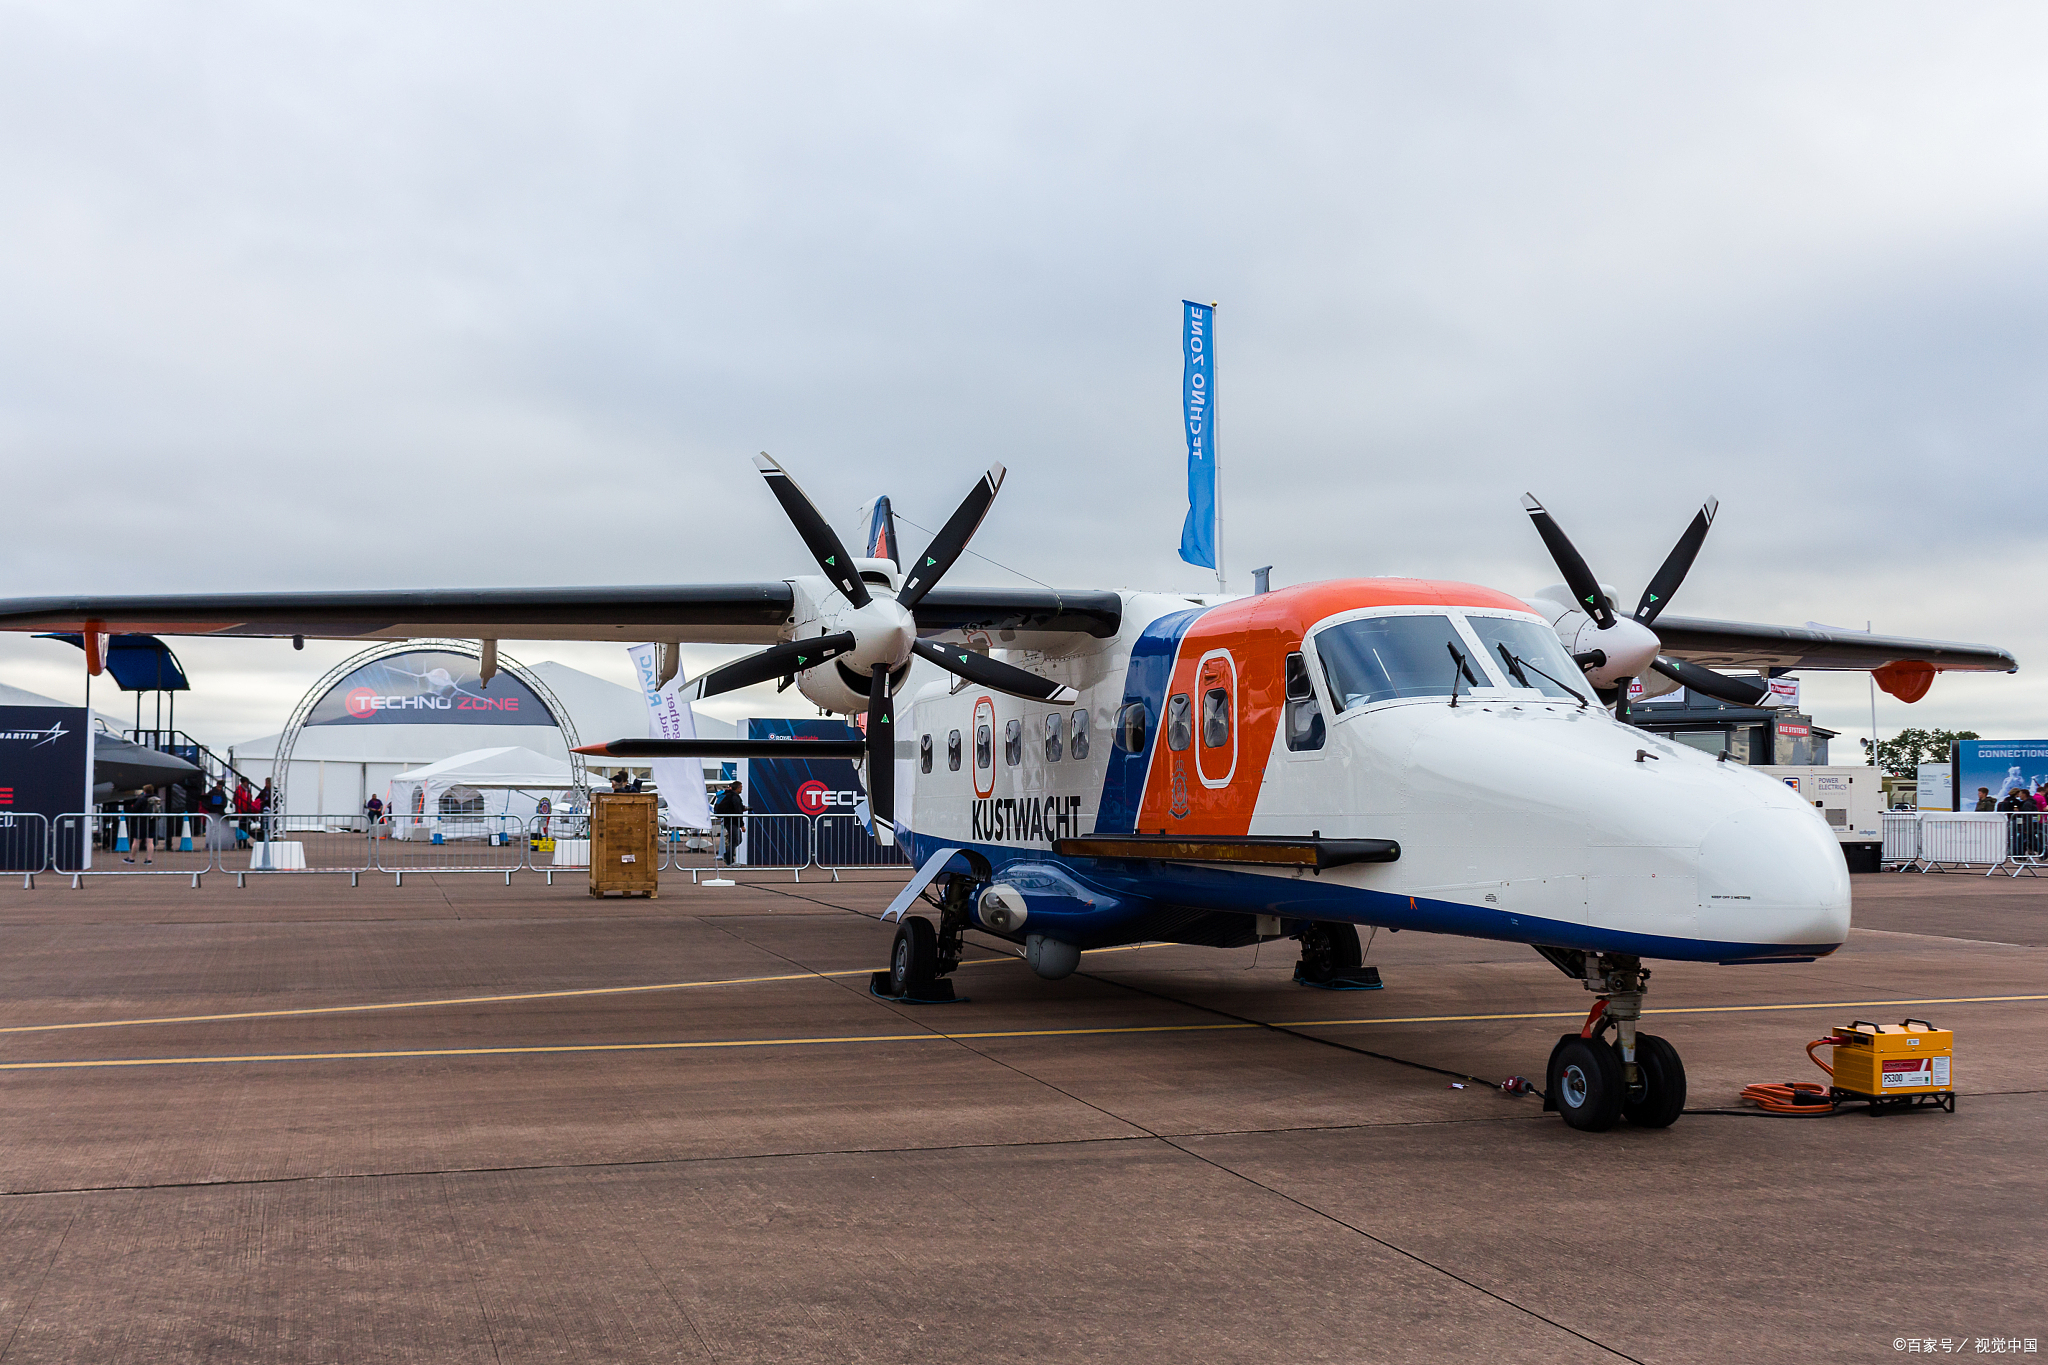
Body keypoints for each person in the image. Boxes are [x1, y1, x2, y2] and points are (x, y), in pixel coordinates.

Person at [124, 784, 162, 865]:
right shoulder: (157, 799)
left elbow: (134, 809)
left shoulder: (142, 799)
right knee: (150, 841)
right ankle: (149, 859)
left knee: (137, 840)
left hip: (142, 822)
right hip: (152, 821)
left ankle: (131, 858)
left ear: (144, 791)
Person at [713, 781, 745, 866]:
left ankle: (728, 856)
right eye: (741, 787)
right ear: (737, 788)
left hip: (729, 821)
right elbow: (738, 811)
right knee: (735, 840)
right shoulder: (734, 797)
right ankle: (729, 860)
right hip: (732, 822)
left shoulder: (728, 796)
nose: (741, 789)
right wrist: (742, 825)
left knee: (736, 840)